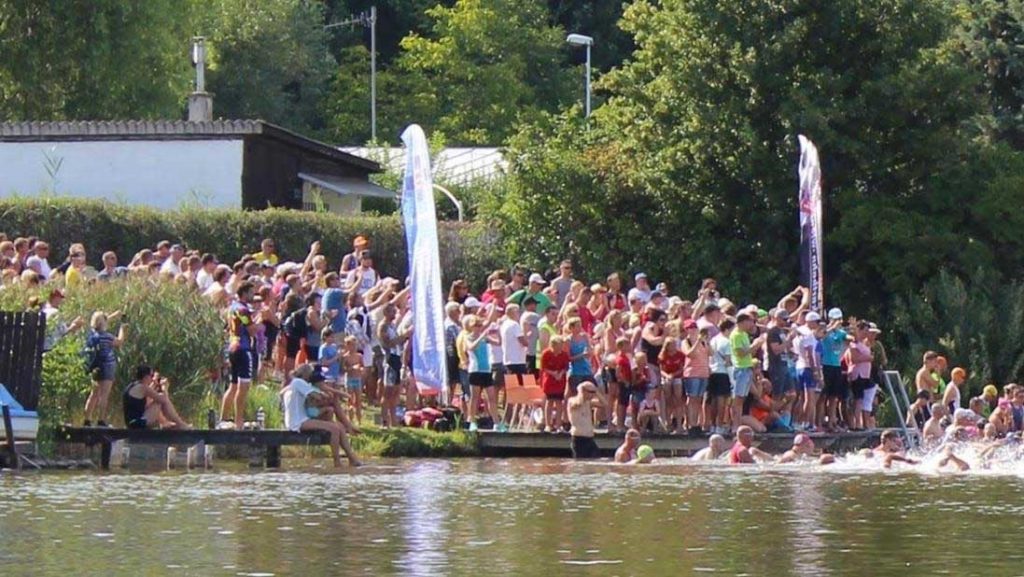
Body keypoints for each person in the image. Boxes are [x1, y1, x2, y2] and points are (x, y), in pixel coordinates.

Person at [282, 364, 361, 467]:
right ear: (306, 374)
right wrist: (326, 397)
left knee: (339, 427)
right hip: (298, 421)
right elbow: (316, 396)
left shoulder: (295, 384)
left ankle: (352, 458)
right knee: (334, 429)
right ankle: (337, 462)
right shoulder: (298, 382)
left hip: (301, 418)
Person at [220, 282, 260, 429]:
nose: (253, 295)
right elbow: (251, 330)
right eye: (251, 292)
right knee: (243, 387)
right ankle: (239, 422)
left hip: (232, 347)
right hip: (243, 349)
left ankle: (223, 419)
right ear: (244, 293)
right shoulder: (243, 310)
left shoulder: (232, 307)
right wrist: (259, 322)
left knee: (233, 385)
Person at [82, 310, 125, 427]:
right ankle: (101, 420)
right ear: (103, 323)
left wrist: (113, 316)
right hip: (107, 366)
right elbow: (120, 342)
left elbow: (99, 324)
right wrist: (122, 328)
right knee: (104, 395)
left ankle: (87, 419)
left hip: (95, 367)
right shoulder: (107, 337)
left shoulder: (92, 335)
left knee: (94, 394)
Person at [465, 313, 503, 432]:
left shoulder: (485, 338)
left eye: (480, 325)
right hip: (475, 370)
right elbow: (471, 347)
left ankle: (496, 423)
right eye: (476, 325)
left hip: (486, 370)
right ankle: (472, 421)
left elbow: (498, 343)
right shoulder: (468, 337)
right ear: (471, 326)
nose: (479, 327)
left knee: (491, 397)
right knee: (475, 398)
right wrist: (481, 336)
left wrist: (498, 332)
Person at [730, 313, 766, 434]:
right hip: (740, 369)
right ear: (743, 322)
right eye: (750, 322)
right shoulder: (736, 335)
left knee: (742, 399)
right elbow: (741, 353)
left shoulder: (744, 334)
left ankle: (738, 424)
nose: (752, 325)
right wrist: (755, 345)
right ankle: (735, 425)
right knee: (737, 399)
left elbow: (748, 353)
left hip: (747, 368)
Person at [122, 366, 190, 429]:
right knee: (159, 402)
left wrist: (155, 384)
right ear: (146, 377)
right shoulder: (143, 387)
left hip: (132, 423)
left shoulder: (134, 386)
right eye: (151, 376)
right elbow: (163, 399)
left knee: (155, 402)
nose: (152, 379)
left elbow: (148, 402)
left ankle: (165, 423)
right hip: (137, 423)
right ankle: (181, 424)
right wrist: (165, 388)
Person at [793, 311, 822, 432]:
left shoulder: (798, 333)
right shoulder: (808, 334)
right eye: (816, 322)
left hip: (799, 366)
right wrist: (816, 371)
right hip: (807, 367)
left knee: (801, 398)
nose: (818, 324)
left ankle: (798, 422)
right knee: (809, 398)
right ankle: (805, 423)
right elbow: (809, 353)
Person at [681, 319, 710, 434]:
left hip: (703, 373)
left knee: (699, 399)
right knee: (692, 398)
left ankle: (697, 423)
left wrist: (706, 342)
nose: (693, 330)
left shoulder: (702, 341)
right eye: (690, 328)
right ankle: (690, 423)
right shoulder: (686, 342)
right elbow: (689, 354)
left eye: (694, 327)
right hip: (692, 373)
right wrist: (697, 342)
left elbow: (710, 353)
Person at [708, 319, 735, 435]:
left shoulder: (713, 340)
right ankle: (719, 425)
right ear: (728, 329)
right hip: (723, 372)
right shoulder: (727, 342)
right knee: (722, 400)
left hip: (712, 372)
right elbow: (728, 361)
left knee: (713, 399)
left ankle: (713, 425)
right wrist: (732, 378)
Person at [568, 381, 607, 459]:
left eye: (593, 392)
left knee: (597, 459)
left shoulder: (589, 403)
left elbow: (605, 404)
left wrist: (597, 392)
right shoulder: (572, 401)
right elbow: (578, 403)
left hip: (589, 438)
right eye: (591, 392)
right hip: (579, 439)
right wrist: (581, 391)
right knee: (581, 462)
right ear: (583, 391)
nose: (592, 395)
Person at [540, 335, 570, 433]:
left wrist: (560, 373)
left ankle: (558, 425)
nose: (561, 347)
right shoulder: (546, 354)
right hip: (549, 381)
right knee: (549, 401)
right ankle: (548, 424)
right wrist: (553, 373)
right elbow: (543, 367)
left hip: (560, 381)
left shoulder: (564, 355)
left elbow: (566, 367)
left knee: (559, 402)